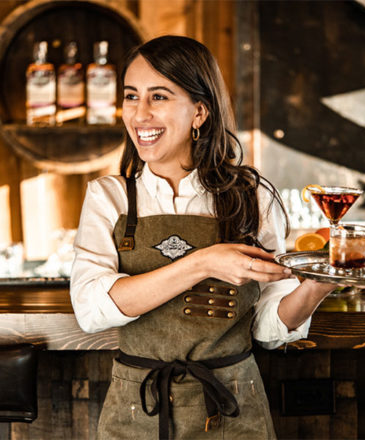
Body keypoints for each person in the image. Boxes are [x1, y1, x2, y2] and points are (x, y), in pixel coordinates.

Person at [70, 35, 335, 440]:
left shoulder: (253, 196)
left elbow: (265, 326)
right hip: (136, 408)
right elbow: (91, 310)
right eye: (131, 96)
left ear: (199, 112)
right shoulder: (108, 196)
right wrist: (204, 262)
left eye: (158, 97)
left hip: (232, 407)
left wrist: (319, 283)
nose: (139, 114)